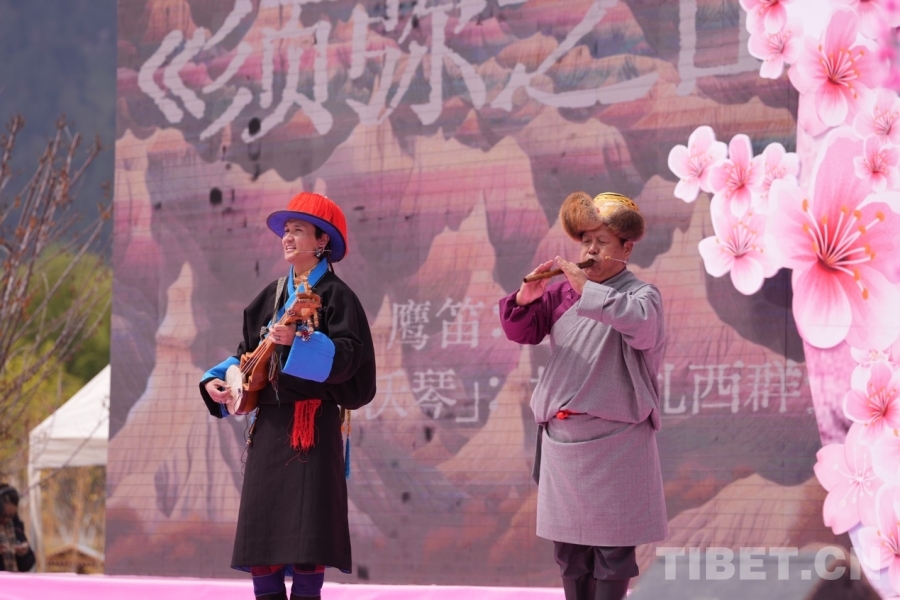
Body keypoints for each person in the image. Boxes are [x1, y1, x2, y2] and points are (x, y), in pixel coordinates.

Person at [199, 192, 377, 600]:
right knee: (262, 536)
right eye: (286, 230)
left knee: (308, 536)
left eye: (298, 230)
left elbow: (350, 359)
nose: (288, 237)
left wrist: (297, 343)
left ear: (322, 241)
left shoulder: (338, 297)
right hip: (269, 429)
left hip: (311, 426)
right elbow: (245, 354)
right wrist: (216, 380)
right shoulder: (269, 297)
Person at [499, 192, 668, 600]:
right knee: (570, 551)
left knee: (613, 549)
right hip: (562, 439)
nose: (590, 250)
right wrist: (525, 298)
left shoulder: (643, 297)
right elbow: (521, 331)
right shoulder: (560, 295)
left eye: (602, 241)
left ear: (626, 248)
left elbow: (642, 327)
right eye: (586, 241)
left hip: (617, 441)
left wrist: (588, 291)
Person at [0, 484, 36, 572]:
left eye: (11, 516)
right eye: (3, 516)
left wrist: (23, 553)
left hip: (12, 579)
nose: (7, 520)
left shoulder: (16, 527)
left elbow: (28, 564)